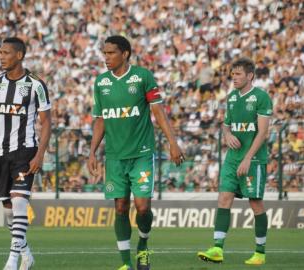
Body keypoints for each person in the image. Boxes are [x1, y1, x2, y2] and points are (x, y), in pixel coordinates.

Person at [87, 35, 184, 270]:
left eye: (111, 53)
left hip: (141, 154)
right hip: (114, 157)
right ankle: (125, 263)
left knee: (142, 207)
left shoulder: (143, 77)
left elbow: (158, 112)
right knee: (120, 207)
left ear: (125, 54)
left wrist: (173, 143)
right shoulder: (101, 82)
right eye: (105, 53)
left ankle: (143, 244)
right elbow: (100, 119)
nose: (106, 58)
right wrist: (92, 153)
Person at [0, 37, 51, 270]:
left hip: (25, 151)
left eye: (6, 52)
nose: (1, 56)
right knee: (9, 210)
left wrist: (40, 154)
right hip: (1, 154)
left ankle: (11, 262)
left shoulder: (35, 85)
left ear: (19, 55)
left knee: (19, 202)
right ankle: (27, 254)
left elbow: (46, 121)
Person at [197, 57, 273, 265]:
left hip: (253, 159)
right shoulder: (231, 97)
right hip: (232, 159)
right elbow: (226, 124)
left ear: (250, 76)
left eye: (238, 74)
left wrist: (248, 158)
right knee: (223, 198)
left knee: (255, 203)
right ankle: (217, 249)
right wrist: (227, 134)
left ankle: (260, 253)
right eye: (233, 74)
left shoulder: (261, 97)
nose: (234, 78)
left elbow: (263, 132)